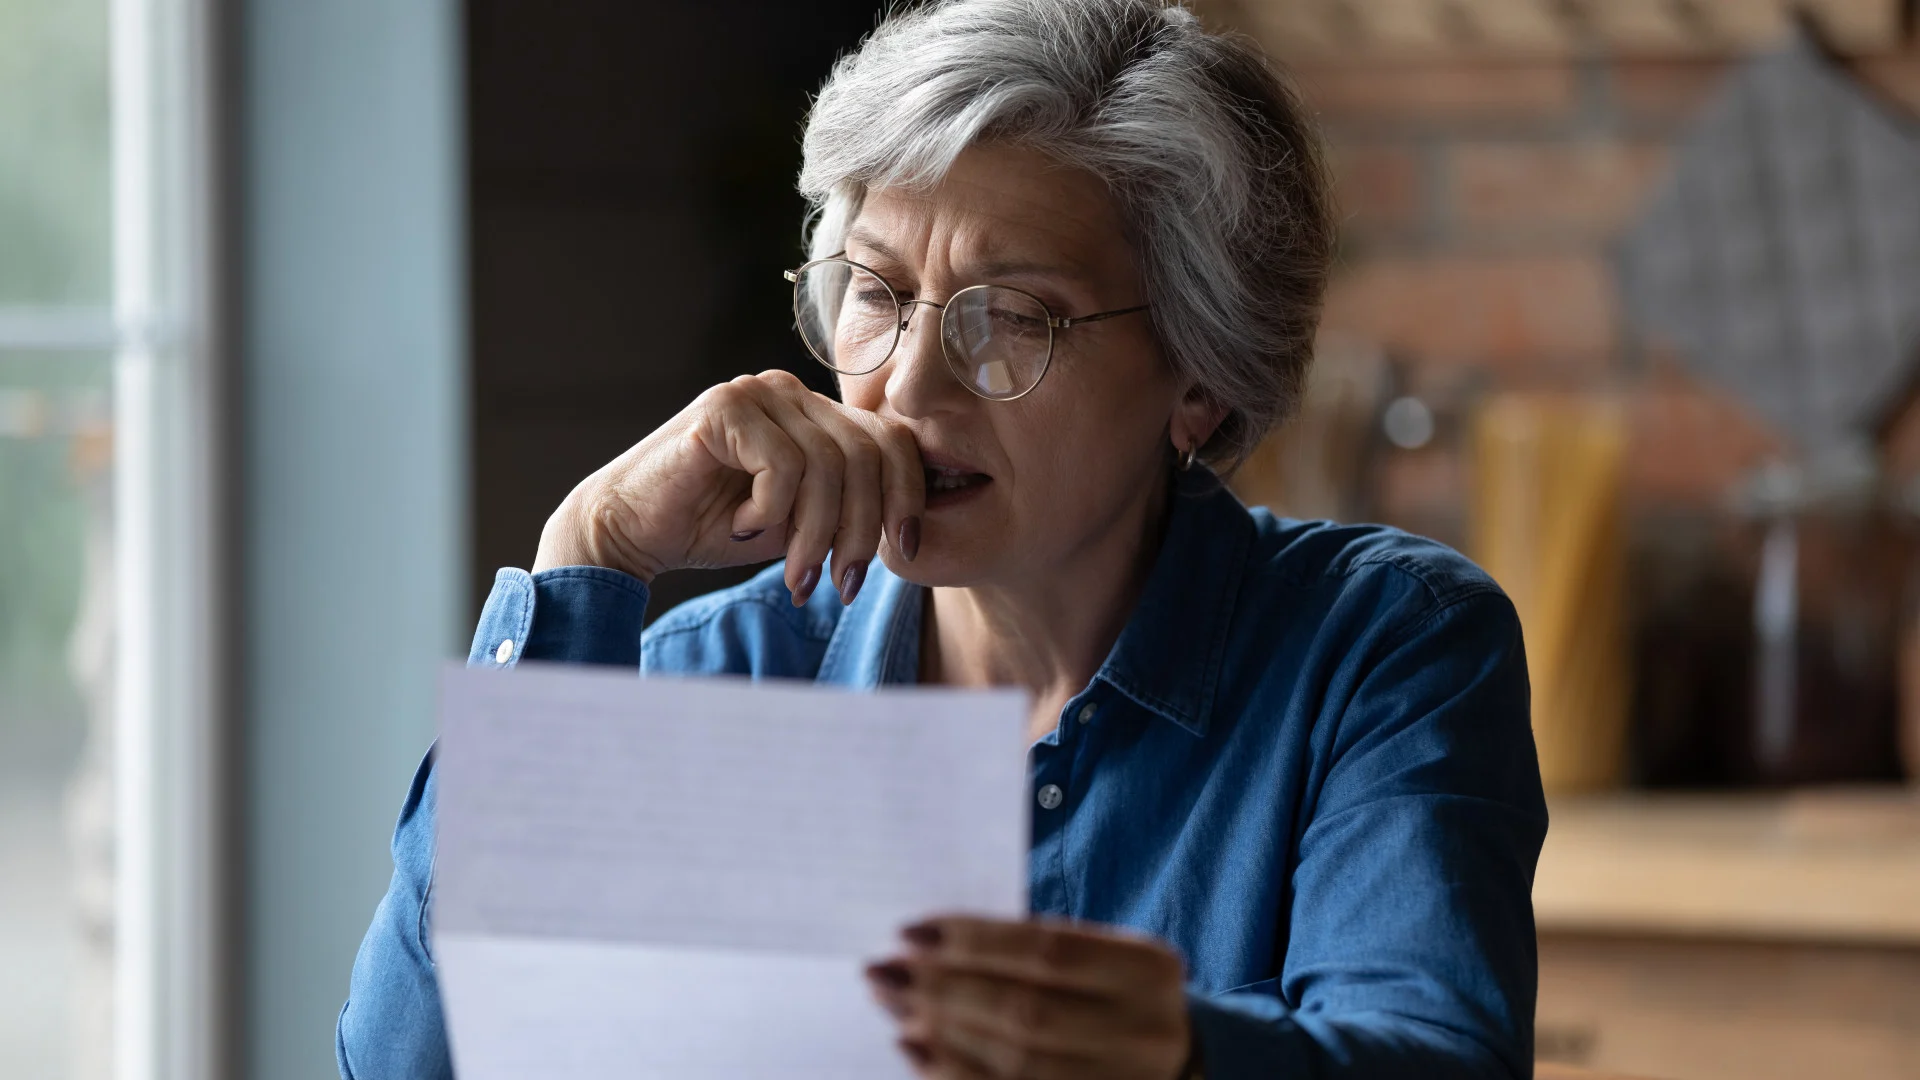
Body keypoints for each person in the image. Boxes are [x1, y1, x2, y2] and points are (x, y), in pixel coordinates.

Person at [336, 1, 1546, 1077]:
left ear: (1200, 378)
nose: (909, 388)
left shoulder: (1379, 649)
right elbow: (409, 1067)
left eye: (1010, 318)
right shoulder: (725, 676)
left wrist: (1179, 1057)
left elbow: (1432, 1054)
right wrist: (589, 553)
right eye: (876, 292)